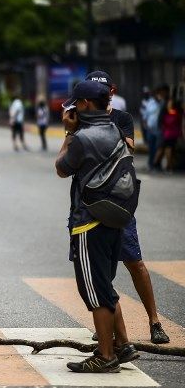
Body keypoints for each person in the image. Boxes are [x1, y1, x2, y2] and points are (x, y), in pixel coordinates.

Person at [56, 80, 139, 373]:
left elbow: (61, 169)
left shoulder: (82, 138)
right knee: (105, 284)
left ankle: (105, 356)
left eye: (75, 103)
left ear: (85, 105)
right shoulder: (116, 130)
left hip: (88, 223)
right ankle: (123, 344)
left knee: (94, 291)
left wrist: (68, 132)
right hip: (114, 217)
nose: (72, 108)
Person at [84, 71, 170, 344]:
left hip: (119, 203)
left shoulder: (122, 118)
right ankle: (108, 324)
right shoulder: (81, 121)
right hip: (90, 204)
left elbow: (129, 149)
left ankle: (154, 321)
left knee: (135, 263)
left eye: (103, 91)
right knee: (102, 271)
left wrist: (102, 125)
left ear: (112, 91)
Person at [154, 97, 183, 173]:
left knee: (168, 150)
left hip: (171, 134)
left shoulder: (174, 112)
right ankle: (166, 166)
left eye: (171, 104)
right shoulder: (168, 112)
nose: (169, 105)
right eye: (168, 103)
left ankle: (168, 166)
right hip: (167, 134)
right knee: (166, 149)